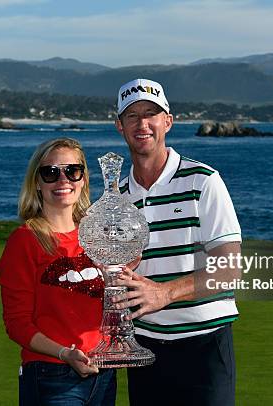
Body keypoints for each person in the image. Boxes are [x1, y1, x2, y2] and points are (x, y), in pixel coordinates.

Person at [112, 79, 242, 406]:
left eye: (151, 114)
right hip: (145, 350)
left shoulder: (203, 181)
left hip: (204, 346)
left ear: (167, 121)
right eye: (132, 115)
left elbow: (230, 269)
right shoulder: (117, 199)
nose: (142, 124)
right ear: (119, 126)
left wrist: (164, 292)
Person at [0, 137, 116, 406]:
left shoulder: (97, 236)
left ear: (83, 179)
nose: (63, 180)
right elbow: (17, 323)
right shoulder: (25, 241)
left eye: (72, 171)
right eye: (51, 173)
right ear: (37, 183)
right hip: (52, 374)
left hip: (104, 372)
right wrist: (64, 354)